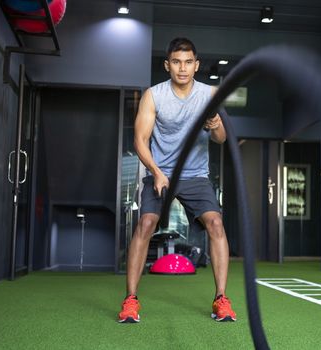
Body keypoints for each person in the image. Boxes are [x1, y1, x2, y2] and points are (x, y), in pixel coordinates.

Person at [118, 37, 236, 323]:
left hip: (195, 175)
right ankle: (131, 300)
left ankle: (221, 299)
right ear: (167, 65)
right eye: (176, 62)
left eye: (187, 62)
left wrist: (216, 124)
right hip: (161, 172)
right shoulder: (154, 95)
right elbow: (140, 140)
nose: (182, 68)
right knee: (145, 224)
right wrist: (156, 172)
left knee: (216, 223)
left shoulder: (210, 94)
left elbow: (222, 139)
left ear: (196, 65)